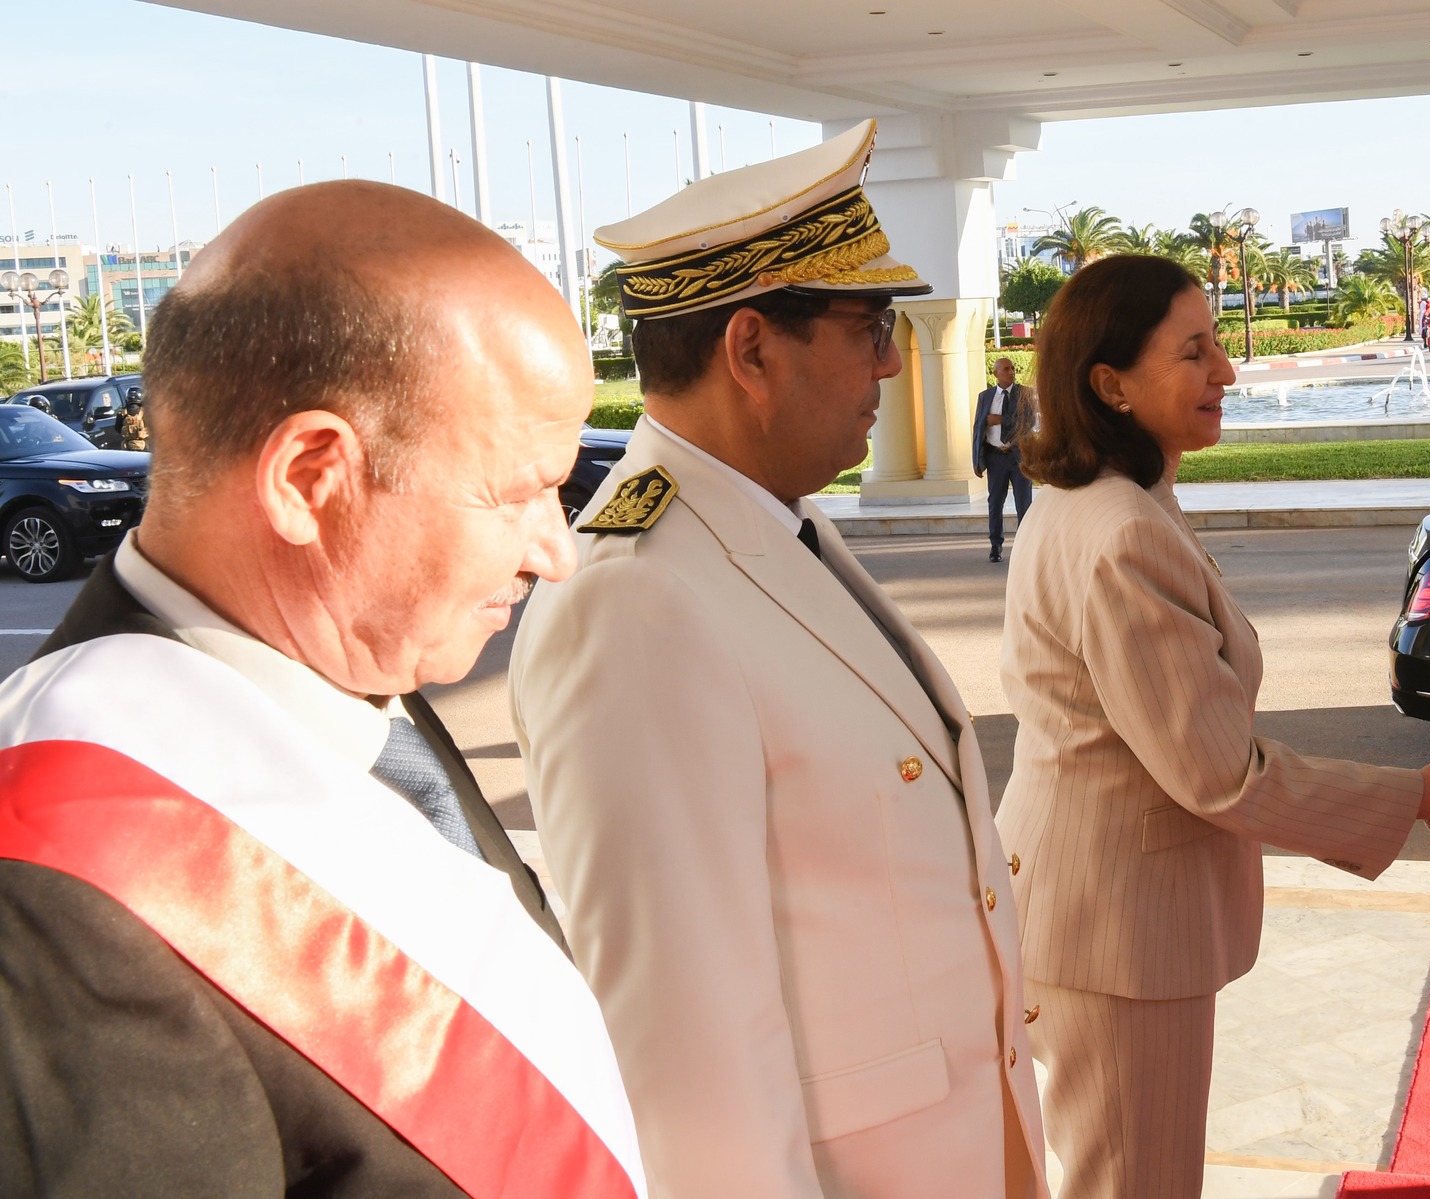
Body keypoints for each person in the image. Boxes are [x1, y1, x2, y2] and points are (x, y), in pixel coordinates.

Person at [0, 182, 644, 1197]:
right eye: (521, 492)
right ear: (310, 479)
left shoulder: (358, 670)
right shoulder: (55, 889)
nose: (555, 551)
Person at [508, 121, 1049, 1199]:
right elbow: (684, 1053)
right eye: (869, 325)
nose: (891, 360)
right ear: (751, 350)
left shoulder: (772, 526)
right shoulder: (634, 601)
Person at [998, 254, 1430, 1199]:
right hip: (1116, 930)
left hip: (1088, 911)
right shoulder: (1123, 531)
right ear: (1111, 384)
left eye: (1217, 344)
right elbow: (1222, 773)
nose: (1227, 370)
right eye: (1193, 352)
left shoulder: (1102, 504)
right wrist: (1424, 791)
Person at [974, 356, 1036, 561]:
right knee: (995, 502)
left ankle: (1025, 547)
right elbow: (978, 429)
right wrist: (976, 461)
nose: (1011, 372)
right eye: (1006, 369)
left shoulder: (1025, 394)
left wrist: (998, 420)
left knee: (1023, 503)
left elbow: (1027, 422)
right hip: (996, 458)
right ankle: (995, 546)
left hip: (1019, 458)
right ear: (996, 374)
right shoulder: (985, 397)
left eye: (1013, 368)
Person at [118, 387, 149, 452]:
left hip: (127, 447)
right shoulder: (146, 411)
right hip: (144, 447)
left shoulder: (122, 412)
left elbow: (117, 428)